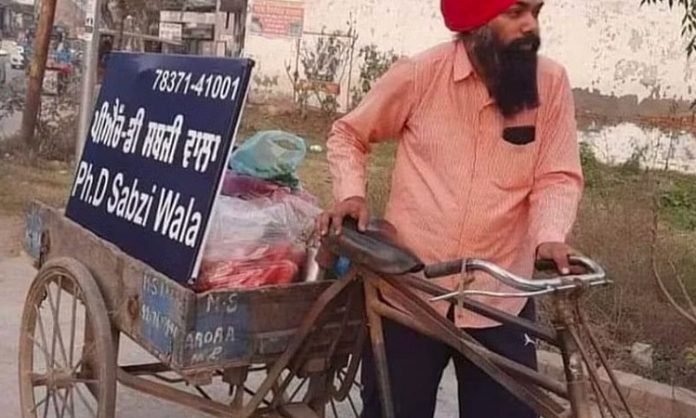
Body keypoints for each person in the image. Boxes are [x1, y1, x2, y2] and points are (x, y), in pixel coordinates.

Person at [317, 0, 584, 417]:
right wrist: (352, 193)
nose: (531, 25)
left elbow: (557, 175)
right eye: (515, 13)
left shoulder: (549, 83)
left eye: (535, 11)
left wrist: (551, 235)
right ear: (474, 23)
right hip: (411, 296)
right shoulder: (421, 74)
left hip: (500, 297)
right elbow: (349, 133)